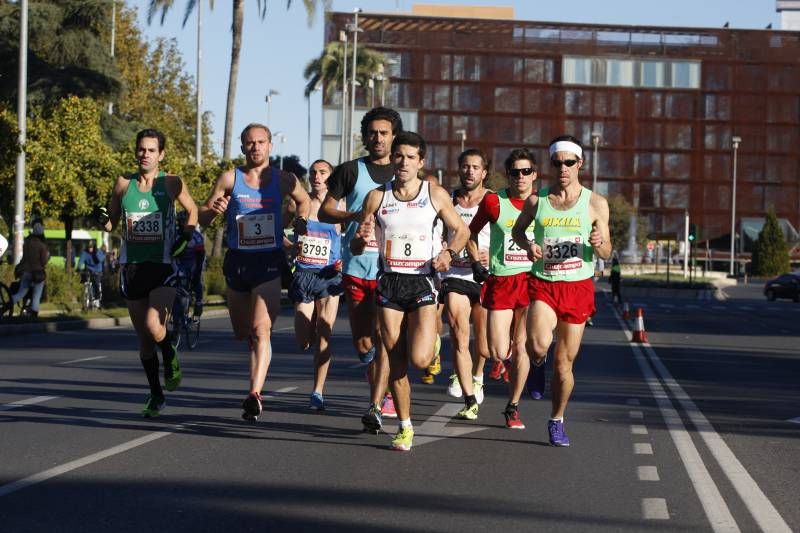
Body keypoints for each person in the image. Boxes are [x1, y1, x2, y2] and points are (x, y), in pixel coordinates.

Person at [354, 131, 469, 451]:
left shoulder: (434, 194)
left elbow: (461, 230)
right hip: (390, 281)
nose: (403, 162)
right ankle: (405, 426)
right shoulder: (377, 197)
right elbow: (355, 242)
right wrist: (360, 238)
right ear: (392, 159)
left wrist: (448, 254)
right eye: (398, 156)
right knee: (394, 359)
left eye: (410, 157)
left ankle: (429, 340)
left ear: (421, 162)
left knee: (420, 358)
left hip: (423, 281)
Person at [199, 123, 310, 422]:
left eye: (261, 142)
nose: (256, 147)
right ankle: (254, 378)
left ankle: (254, 394)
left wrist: (300, 221)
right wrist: (215, 210)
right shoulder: (230, 179)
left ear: (270, 146)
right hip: (238, 261)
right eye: (250, 143)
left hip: (269, 261)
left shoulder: (284, 178)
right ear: (243, 147)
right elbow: (203, 217)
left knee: (262, 330)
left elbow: (305, 200)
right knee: (242, 331)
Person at [512, 135, 612, 446]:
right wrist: (529, 245)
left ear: (580, 164)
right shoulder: (537, 201)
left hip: (578, 287)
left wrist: (600, 244)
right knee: (539, 345)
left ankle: (557, 419)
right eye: (557, 163)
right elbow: (517, 230)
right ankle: (537, 363)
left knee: (564, 364)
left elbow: (607, 250)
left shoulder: (596, 203)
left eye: (569, 162)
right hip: (544, 283)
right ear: (551, 166)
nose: (563, 168)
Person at [95, 128, 198, 417]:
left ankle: (170, 352)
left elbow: (192, 211)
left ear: (161, 154)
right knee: (143, 338)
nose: (145, 154)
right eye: (141, 149)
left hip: (162, 266)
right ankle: (156, 394)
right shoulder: (122, 183)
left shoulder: (171, 183)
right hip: (132, 269)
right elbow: (111, 222)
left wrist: (186, 235)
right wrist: (101, 218)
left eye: (151, 150)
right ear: (136, 151)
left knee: (154, 325)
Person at [318, 106, 403, 433]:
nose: (378, 138)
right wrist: (354, 217)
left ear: (394, 136)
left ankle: (380, 399)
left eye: (384, 133)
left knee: (386, 337)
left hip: (393, 270)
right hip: (356, 265)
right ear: (364, 136)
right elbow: (326, 211)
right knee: (363, 342)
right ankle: (376, 377)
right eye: (372, 133)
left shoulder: (404, 173)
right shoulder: (349, 171)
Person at [468, 148, 538, 430]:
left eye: (525, 171)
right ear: (507, 175)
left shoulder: (543, 202)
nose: (520, 177)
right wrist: (475, 261)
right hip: (501, 281)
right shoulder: (494, 202)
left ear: (534, 175)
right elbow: (470, 232)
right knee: (498, 350)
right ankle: (503, 359)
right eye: (514, 172)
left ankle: (513, 407)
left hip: (533, 282)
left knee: (522, 347)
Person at [439, 149, 491, 420]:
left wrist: (490, 254)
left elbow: (509, 236)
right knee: (459, 331)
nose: (470, 171)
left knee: (483, 344)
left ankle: (478, 374)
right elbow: (436, 231)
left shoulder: (494, 201)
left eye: (475, 167)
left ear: (484, 172)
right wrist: (442, 249)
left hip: (484, 276)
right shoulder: (448, 200)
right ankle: (466, 387)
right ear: (459, 170)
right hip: (456, 276)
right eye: (465, 166)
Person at [289, 159, 344, 411]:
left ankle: (317, 391)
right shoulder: (299, 203)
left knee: (325, 332)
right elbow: (275, 230)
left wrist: (347, 259)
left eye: (322, 172)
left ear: (331, 177)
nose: (317, 176)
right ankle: (307, 338)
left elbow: (355, 235)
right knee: (303, 340)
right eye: (313, 172)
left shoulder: (340, 205)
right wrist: (291, 248)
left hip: (330, 276)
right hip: (304, 274)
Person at [11, 218, 49, 318]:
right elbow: (44, 261)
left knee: (21, 293)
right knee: (36, 295)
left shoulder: (27, 243)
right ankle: (33, 314)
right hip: (38, 273)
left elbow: (24, 258)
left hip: (26, 272)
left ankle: (8, 303)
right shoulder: (42, 245)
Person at [173, 210, 206, 317]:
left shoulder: (197, 236)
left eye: (185, 221)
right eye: (181, 221)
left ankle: (199, 302)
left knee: (198, 279)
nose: (183, 224)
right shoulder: (174, 234)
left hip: (193, 261)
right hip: (178, 262)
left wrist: (197, 272)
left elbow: (200, 257)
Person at [76, 240, 105, 308]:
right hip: (88, 270)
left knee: (96, 284)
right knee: (86, 281)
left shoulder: (97, 251)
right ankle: (87, 296)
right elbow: (81, 261)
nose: (90, 249)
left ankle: (97, 299)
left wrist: (95, 254)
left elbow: (101, 259)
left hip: (97, 270)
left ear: (94, 247)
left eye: (91, 247)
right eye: (89, 247)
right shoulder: (85, 252)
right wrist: (78, 268)